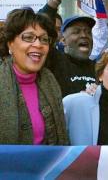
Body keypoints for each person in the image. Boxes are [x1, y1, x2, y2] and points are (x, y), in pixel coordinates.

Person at [0, 8, 68, 145]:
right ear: (10, 44)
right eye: (28, 37)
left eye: (44, 39)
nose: (38, 44)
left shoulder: (50, 80)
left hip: (49, 165)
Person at [39, 0, 108, 97]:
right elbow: (40, 27)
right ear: (63, 41)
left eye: (88, 32)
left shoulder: (99, 69)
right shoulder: (55, 61)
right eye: (76, 32)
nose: (84, 35)